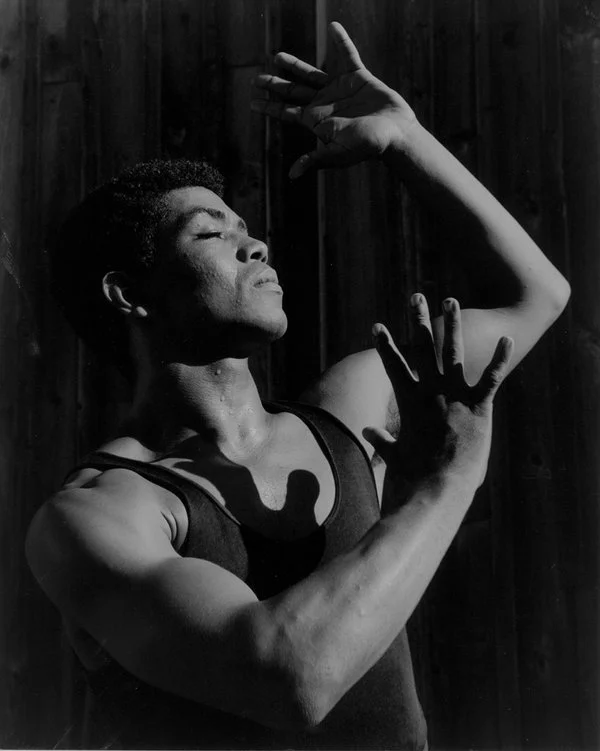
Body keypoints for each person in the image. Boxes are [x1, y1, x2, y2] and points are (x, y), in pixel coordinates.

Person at [26, 22, 569, 751]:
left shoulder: (349, 412)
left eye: (246, 226)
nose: (254, 242)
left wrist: (406, 140)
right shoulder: (97, 516)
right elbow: (291, 677)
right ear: (130, 294)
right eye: (209, 233)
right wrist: (448, 482)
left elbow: (535, 294)